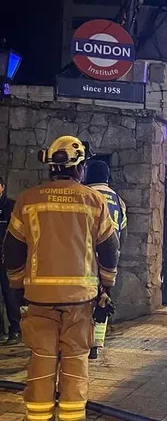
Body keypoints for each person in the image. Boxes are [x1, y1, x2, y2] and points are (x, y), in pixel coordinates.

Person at [3, 135, 120, 421]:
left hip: (38, 301)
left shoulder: (28, 200)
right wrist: (107, 284)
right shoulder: (94, 201)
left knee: (41, 364)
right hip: (80, 302)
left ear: (50, 168)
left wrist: (17, 286)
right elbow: (110, 248)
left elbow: (12, 250)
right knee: (75, 365)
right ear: (79, 168)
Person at [84, 160, 127, 360]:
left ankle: (81, 340)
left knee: (85, 299)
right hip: (110, 256)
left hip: (86, 256)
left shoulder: (84, 196)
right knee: (103, 297)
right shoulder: (118, 200)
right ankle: (96, 345)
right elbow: (123, 233)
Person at [0, 177, 21, 345]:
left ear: (2, 188)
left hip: (6, 258)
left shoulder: (11, 206)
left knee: (10, 294)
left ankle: (15, 329)